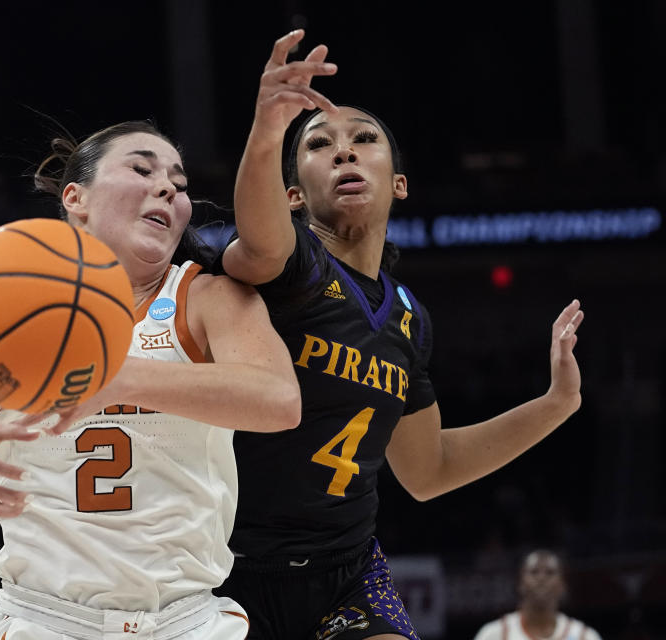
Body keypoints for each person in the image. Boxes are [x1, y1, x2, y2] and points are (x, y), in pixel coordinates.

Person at [213, 30, 585, 640]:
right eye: (319, 143)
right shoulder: (293, 262)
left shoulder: (410, 315)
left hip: (347, 569)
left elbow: (428, 468)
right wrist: (267, 126)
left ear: (399, 183)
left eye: (364, 140)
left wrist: (556, 405)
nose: (344, 152)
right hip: (229, 567)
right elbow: (258, 240)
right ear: (293, 195)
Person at [0, 120, 302, 640]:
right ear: (76, 197)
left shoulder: (208, 297)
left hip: (187, 621)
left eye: (180, 181)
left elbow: (280, 401)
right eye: (142, 168)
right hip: (45, 620)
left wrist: (122, 377)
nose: (169, 187)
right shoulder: (10, 306)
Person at [474, 550, 602, 640]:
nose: (541, 578)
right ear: (520, 583)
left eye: (550, 572)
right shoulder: (494, 634)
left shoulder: (584, 636)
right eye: (534, 572)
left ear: (562, 585)